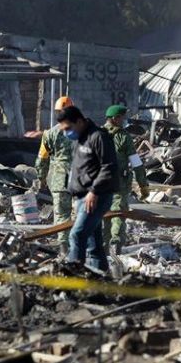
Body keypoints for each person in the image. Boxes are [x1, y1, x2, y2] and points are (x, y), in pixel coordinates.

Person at [57, 106, 118, 272]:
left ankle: (72, 277)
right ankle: (101, 278)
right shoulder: (80, 139)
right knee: (94, 243)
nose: (66, 133)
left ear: (79, 121)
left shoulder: (98, 137)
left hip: (96, 196)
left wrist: (94, 191)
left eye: (68, 128)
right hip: (82, 197)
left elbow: (109, 167)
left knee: (77, 235)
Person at [101, 105, 149, 254]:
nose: (124, 120)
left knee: (103, 214)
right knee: (118, 212)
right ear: (115, 118)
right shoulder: (123, 136)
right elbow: (136, 163)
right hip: (118, 182)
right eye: (122, 117)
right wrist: (143, 185)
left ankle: (103, 248)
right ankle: (116, 242)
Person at [35, 96, 75, 255]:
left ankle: (64, 249)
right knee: (82, 213)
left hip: (59, 178)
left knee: (61, 214)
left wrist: (42, 178)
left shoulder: (49, 134)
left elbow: (42, 159)